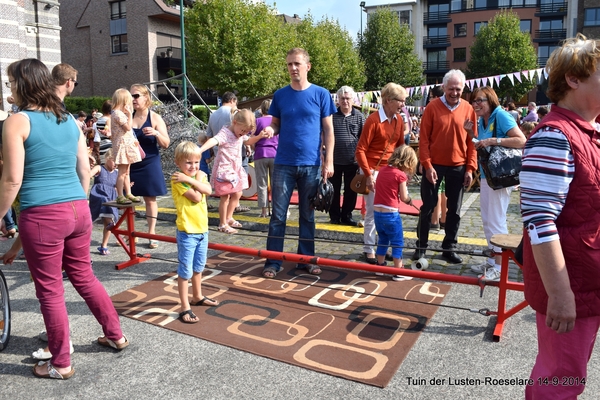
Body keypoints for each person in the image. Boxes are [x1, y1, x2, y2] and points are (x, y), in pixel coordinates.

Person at [0, 58, 128, 380]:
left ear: (22, 84)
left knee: (51, 289)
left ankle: (60, 362)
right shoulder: (68, 119)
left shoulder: (17, 122)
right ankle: (115, 334)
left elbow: (12, 181)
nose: (8, 87)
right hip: (77, 209)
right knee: (84, 276)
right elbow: (84, 170)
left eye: (10, 81)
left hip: (43, 214)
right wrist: (74, 207)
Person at [518, 34, 600, 399]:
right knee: (560, 381)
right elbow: (539, 220)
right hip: (574, 284)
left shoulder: (589, 132)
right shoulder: (554, 136)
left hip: (588, 274)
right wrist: (560, 293)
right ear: (574, 79)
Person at [260, 47, 336, 278]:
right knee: (278, 216)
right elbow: (276, 124)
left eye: (297, 64)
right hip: (283, 162)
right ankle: (273, 261)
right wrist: (269, 130)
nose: (293, 68)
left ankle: (305, 259)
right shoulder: (280, 95)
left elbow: (328, 130)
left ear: (307, 66)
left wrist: (328, 161)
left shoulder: (321, 94)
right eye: (289, 64)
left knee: (307, 215)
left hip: (311, 164)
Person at [412, 69, 477, 264]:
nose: (454, 92)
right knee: (428, 206)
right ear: (443, 87)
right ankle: (421, 246)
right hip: (434, 166)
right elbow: (423, 140)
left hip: (458, 166)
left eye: (458, 89)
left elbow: (471, 141)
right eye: (451, 89)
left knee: (454, 210)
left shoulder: (468, 109)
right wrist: (427, 164)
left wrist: (470, 168)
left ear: (463, 88)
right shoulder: (432, 108)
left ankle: (449, 247)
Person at [463, 86, 526, 281]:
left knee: (497, 220)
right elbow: (481, 145)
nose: (476, 104)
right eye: (474, 101)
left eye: (480, 100)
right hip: (487, 175)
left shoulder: (500, 115)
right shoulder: (482, 120)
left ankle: (500, 266)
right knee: (488, 219)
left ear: (491, 99)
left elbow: (521, 140)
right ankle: (492, 261)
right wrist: (469, 134)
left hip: (500, 176)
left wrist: (494, 140)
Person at [355, 83, 408, 264]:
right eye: (400, 101)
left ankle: (382, 249)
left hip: (390, 172)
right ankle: (369, 248)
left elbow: (400, 148)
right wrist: (369, 175)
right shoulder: (373, 120)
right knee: (372, 211)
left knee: (391, 210)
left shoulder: (399, 120)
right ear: (388, 101)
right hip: (373, 170)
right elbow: (360, 150)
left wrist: (401, 172)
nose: (403, 105)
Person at [171, 141, 219, 324]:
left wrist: (193, 179)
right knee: (185, 271)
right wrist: (195, 179)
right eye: (188, 163)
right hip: (187, 231)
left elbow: (209, 190)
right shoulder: (177, 178)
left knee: (199, 267)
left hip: (202, 229)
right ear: (179, 163)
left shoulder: (196, 177)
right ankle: (184, 307)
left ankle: (197, 296)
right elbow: (198, 196)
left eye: (196, 162)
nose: (193, 166)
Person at [198, 109, 266, 234]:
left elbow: (247, 140)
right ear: (235, 122)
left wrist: (259, 136)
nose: (244, 133)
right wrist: (200, 150)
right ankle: (222, 223)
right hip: (225, 170)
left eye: (246, 132)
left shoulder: (239, 133)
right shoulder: (225, 133)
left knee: (238, 193)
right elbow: (214, 140)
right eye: (243, 130)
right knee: (225, 197)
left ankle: (229, 217)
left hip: (235, 169)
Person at [129, 84, 170, 249]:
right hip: (131, 163)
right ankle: (131, 232)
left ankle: (151, 233)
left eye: (136, 96)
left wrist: (156, 133)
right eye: (131, 96)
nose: (133, 99)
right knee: (129, 200)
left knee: (150, 199)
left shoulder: (154, 118)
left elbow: (166, 143)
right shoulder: (127, 116)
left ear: (146, 97)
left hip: (150, 162)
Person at [373, 145, 418, 281]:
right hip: (391, 214)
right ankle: (399, 270)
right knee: (397, 242)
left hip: (377, 213)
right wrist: (410, 200)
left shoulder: (382, 170)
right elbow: (404, 197)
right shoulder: (400, 175)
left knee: (383, 240)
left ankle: (379, 267)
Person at [206, 92, 249, 213]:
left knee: (226, 191)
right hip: (234, 153)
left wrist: (210, 151)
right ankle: (232, 210)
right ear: (232, 100)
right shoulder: (233, 113)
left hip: (219, 153)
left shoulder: (213, 114)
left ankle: (227, 216)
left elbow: (209, 135)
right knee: (235, 188)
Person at [329, 85, 365, 226]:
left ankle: (347, 215)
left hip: (352, 160)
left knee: (351, 190)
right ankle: (334, 216)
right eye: (342, 98)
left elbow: (363, 138)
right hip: (335, 159)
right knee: (334, 190)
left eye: (347, 98)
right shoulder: (332, 116)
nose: (345, 101)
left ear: (353, 99)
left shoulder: (360, 117)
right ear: (338, 99)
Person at [110, 88, 142, 205]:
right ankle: (120, 194)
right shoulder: (118, 114)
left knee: (127, 172)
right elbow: (128, 127)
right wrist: (129, 114)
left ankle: (128, 193)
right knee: (122, 172)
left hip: (126, 144)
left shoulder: (117, 113)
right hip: (122, 145)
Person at [89, 149, 118, 255]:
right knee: (104, 203)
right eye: (114, 161)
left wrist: (127, 186)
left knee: (108, 222)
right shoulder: (99, 168)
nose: (116, 164)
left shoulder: (116, 173)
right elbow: (89, 174)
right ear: (107, 159)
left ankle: (104, 245)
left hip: (110, 198)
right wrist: (89, 172)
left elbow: (119, 185)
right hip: (99, 196)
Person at [252, 99, 278, 218]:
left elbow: (252, 139)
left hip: (260, 153)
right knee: (275, 184)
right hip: (275, 154)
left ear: (261, 109)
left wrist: (254, 148)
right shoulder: (277, 122)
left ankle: (263, 211)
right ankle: (275, 209)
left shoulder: (257, 121)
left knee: (261, 183)